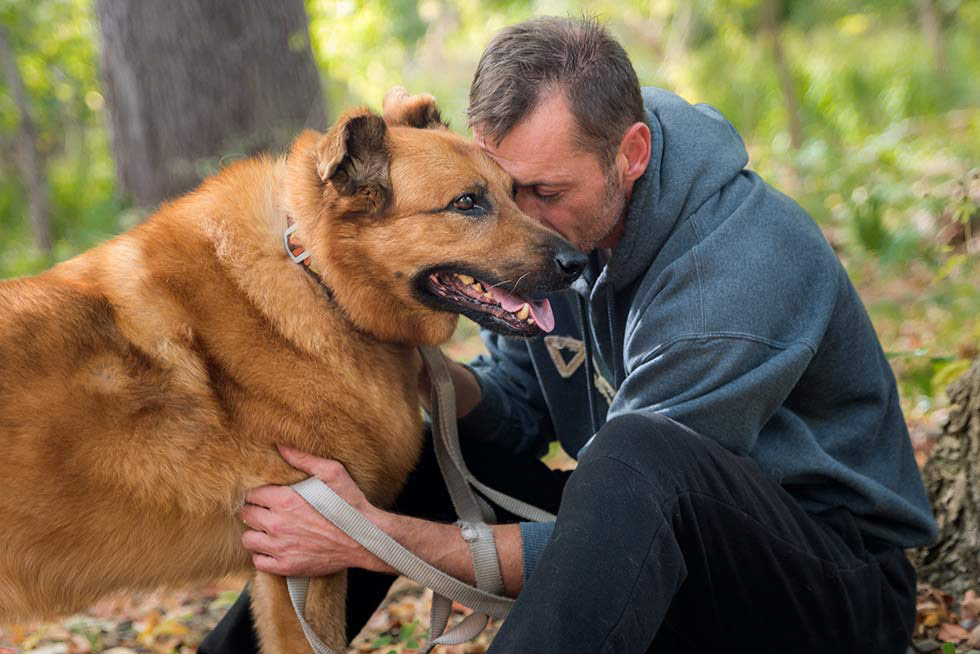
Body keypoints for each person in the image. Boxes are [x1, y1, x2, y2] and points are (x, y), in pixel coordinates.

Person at [200, 16, 936, 654]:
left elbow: (630, 516)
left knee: (637, 449)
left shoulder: (735, 274)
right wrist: (418, 369)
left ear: (633, 153)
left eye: (546, 193)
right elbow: (518, 417)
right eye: (500, 193)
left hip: (824, 594)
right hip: (657, 541)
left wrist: (378, 537)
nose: (523, 229)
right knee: (418, 456)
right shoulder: (569, 236)